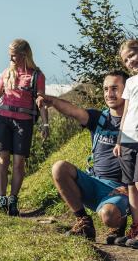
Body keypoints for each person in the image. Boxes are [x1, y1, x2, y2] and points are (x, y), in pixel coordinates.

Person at [37, 70, 129, 243]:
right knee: (59, 167)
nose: (109, 94)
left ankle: (119, 223)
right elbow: (74, 111)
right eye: (106, 89)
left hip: (121, 189)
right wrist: (53, 101)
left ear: (128, 90)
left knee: (109, 215)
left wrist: (132, 188)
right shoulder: (99, 118)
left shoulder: (134, 122)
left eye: (115, 89)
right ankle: (84, 222)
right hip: (93, 182)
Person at [0, 39, 49, 216]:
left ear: (24, 54)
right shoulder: (7, 73)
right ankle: (2, 199)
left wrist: (45, 124)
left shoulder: (37, 76)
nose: (10, 58)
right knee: (2, 159)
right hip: (3, 119)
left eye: (13, 55)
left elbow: (41, 101)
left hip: (24, 122)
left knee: (18, 163)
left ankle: (13, 199)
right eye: (10, 54)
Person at [112, 40, 138, 247]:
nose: (130, 61)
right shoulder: (129, 83)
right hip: (128, 138)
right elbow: (126, 112)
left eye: (132, 56)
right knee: (130, 186)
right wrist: (119, 140)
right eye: (126, 60)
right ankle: (136, 227)